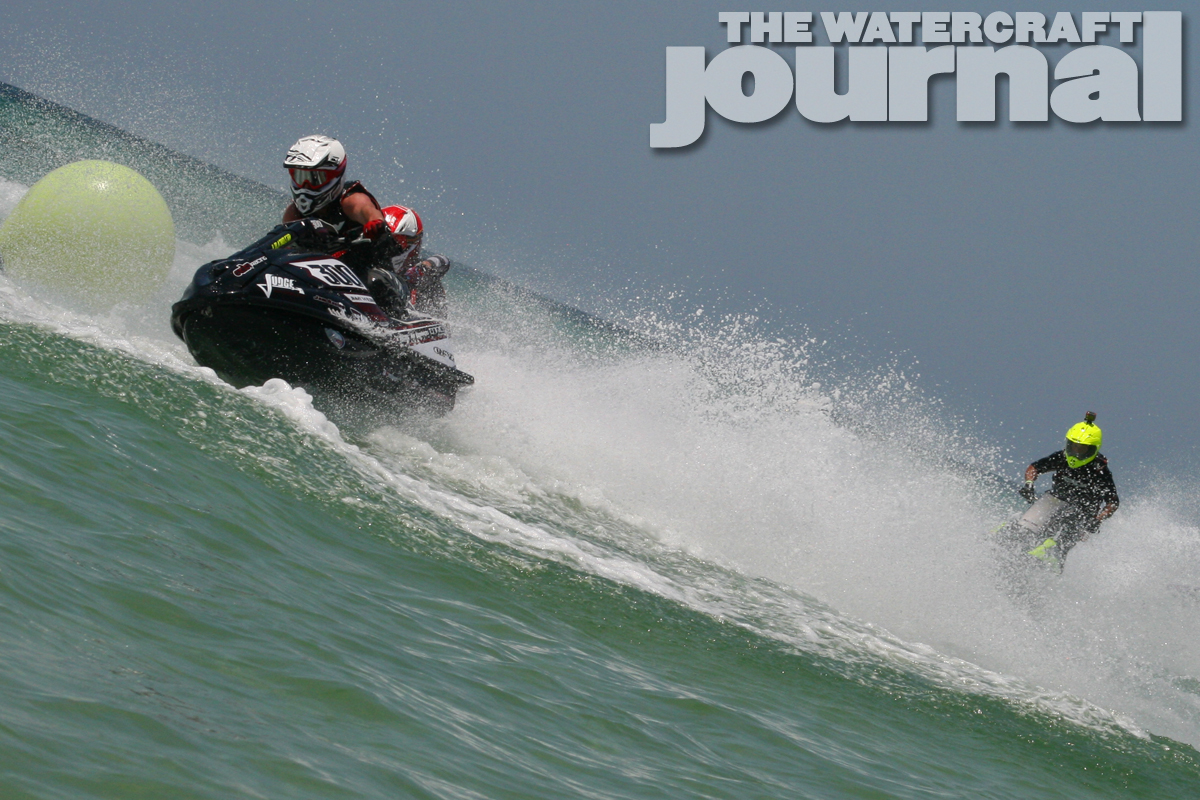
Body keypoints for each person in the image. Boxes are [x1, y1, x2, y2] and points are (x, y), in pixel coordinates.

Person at [281, 134, 450, 315]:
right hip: (328, 276)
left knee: (377, 281)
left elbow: (367, 211)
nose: (305, 186)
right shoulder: (294, 212)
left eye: (315, 178)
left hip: (367, 276)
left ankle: (392, 324)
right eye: (299, 176)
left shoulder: (351, 199)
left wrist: (375, 223)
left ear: (335, 175)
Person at [1015, 412, 1119, 566]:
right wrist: (1029, 484)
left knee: (1062, 534)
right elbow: (1034, 468)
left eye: (1082, 449)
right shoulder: (1062, 457)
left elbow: (1113, 502)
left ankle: (1052, 559)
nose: (1076, 452)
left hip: (1083, 512)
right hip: (1055, 499)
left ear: (1093, 449)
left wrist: (1098, 519)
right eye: (1073, 446)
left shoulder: (1100, 471)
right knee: (1023, 530)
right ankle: (1010, 539)